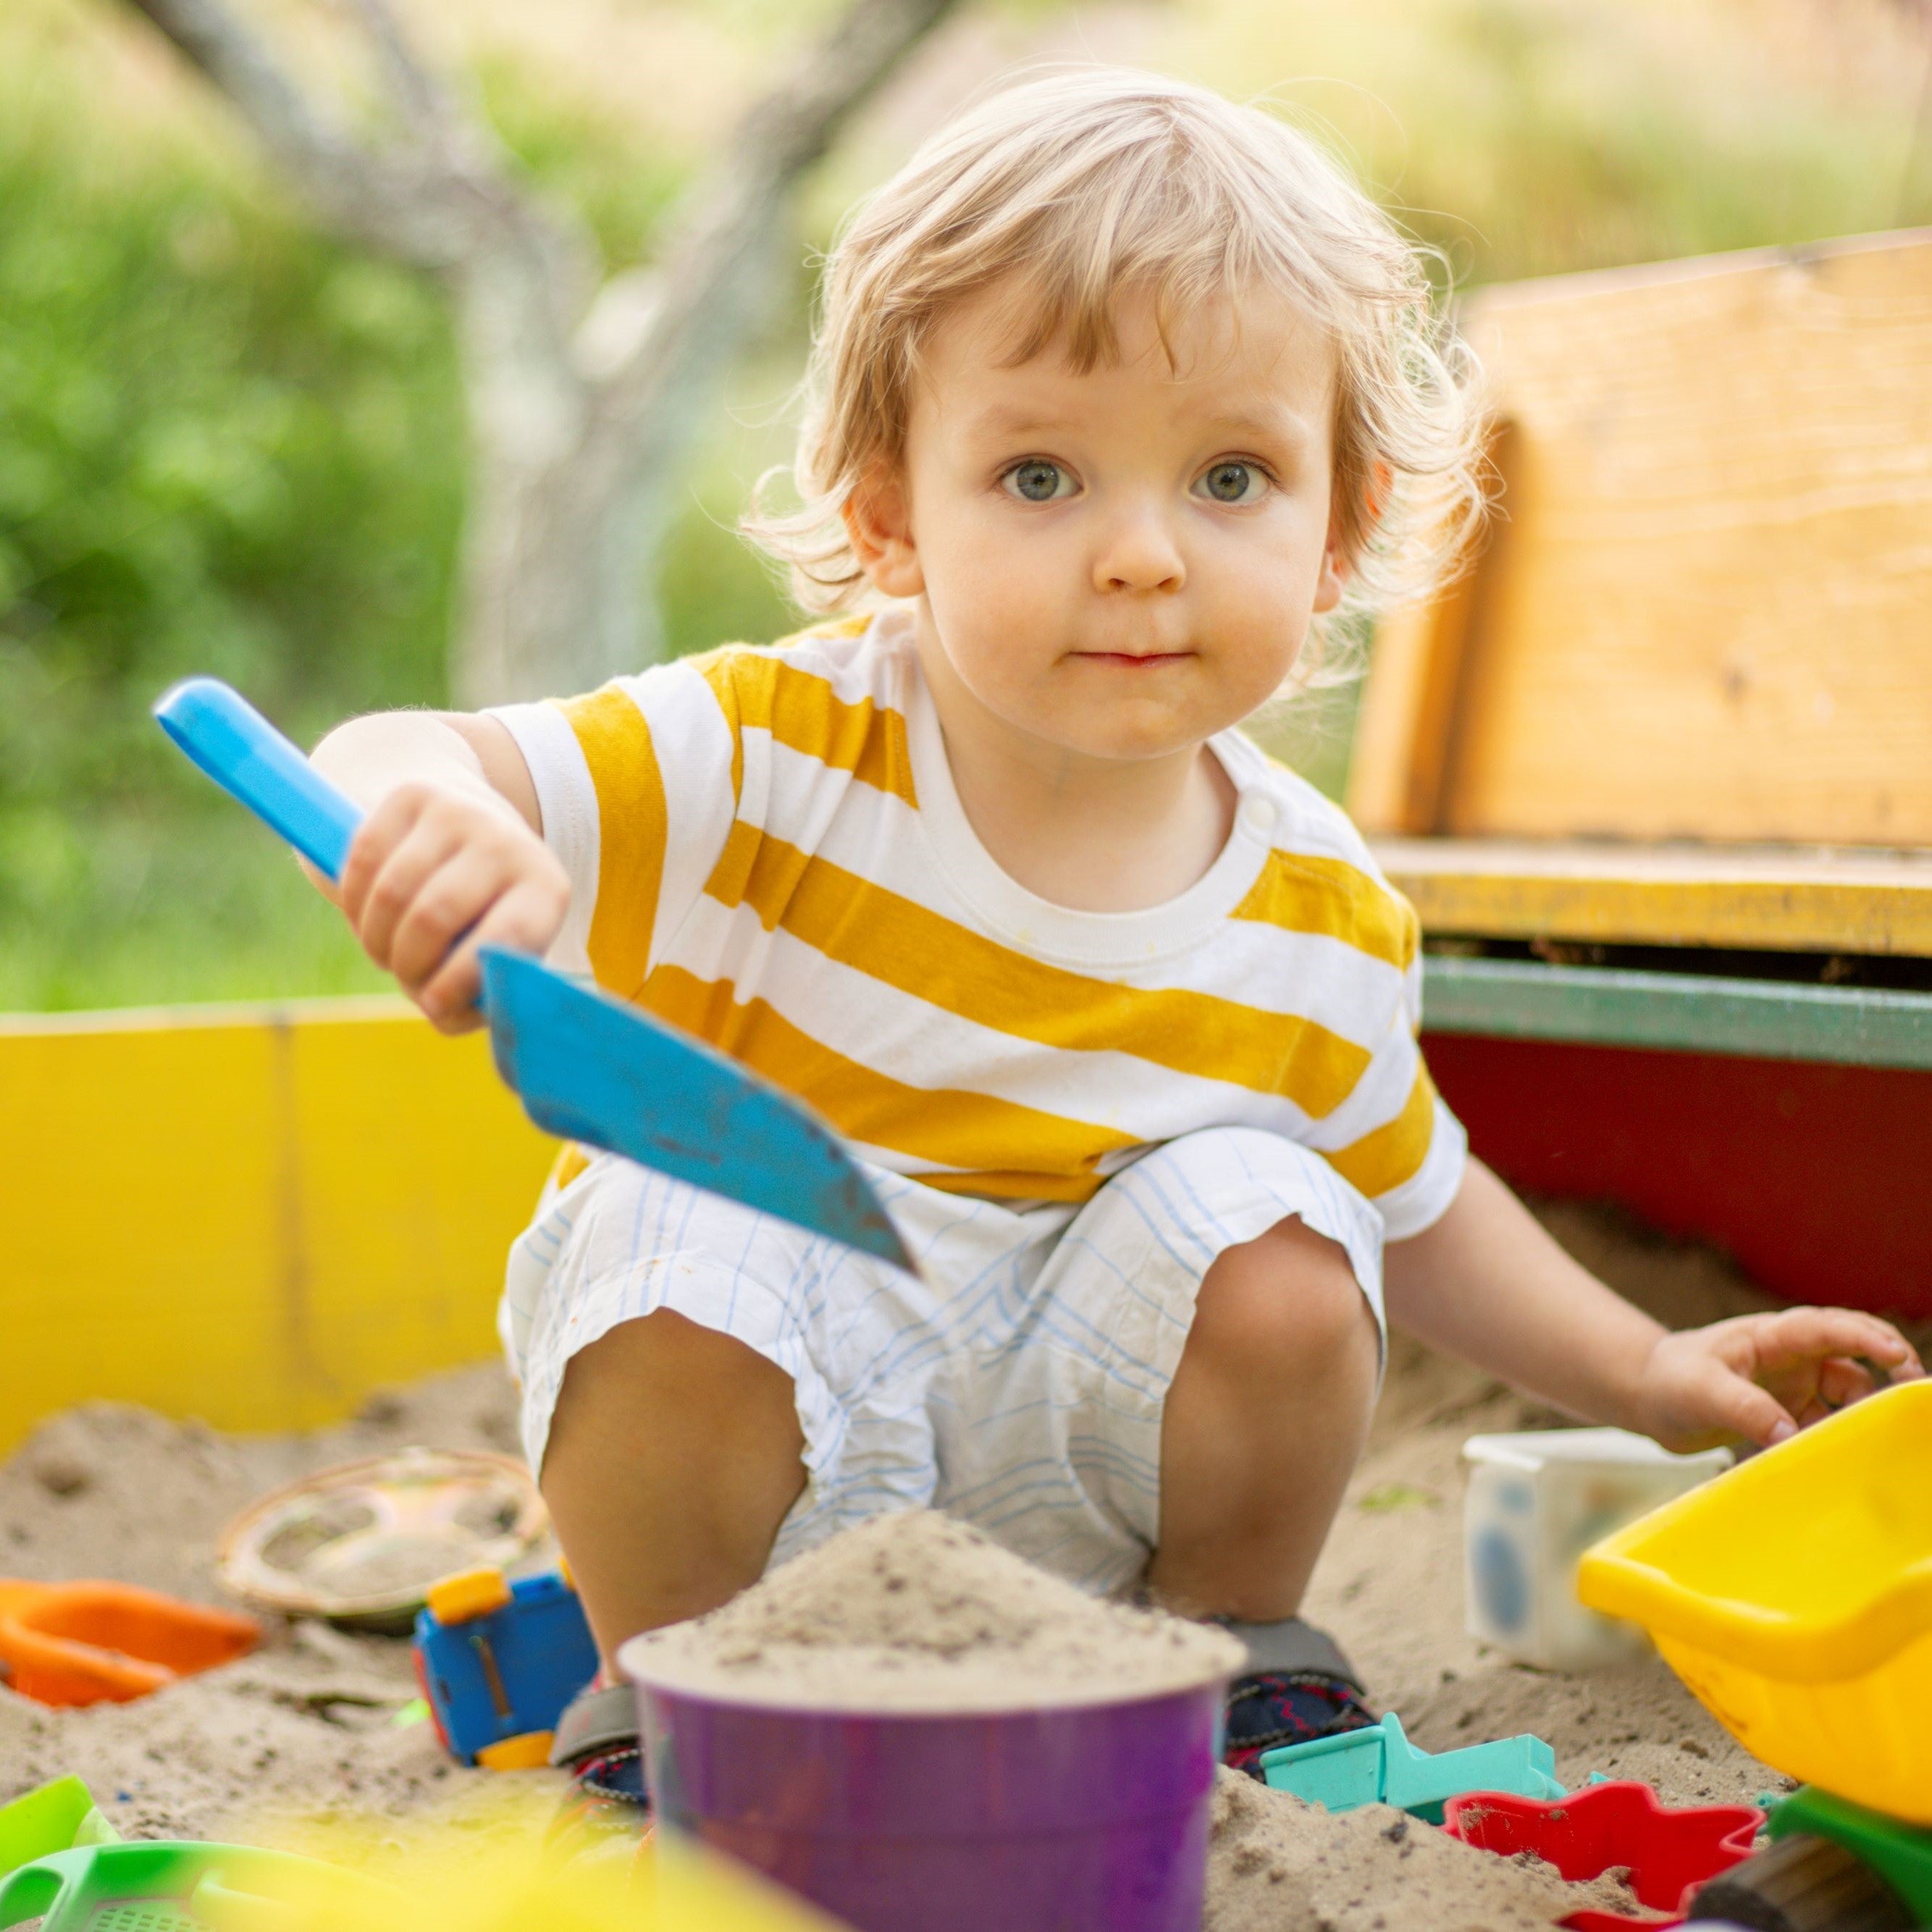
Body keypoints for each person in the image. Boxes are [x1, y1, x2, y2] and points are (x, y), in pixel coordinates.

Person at [304, 67, 1922, 1815]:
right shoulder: (769, 751)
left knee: (1284, 1218)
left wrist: (1646, 1365)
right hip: (776, 1473)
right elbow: (409, 749)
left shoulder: (1312, 904)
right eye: (1040, 474)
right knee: (661, 1205)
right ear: (886, 515)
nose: (1143, 555)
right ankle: (662, 1705)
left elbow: (1416, 1192)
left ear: (1340, 527)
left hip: (1090, 1493)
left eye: (1229, 474)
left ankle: (1225, 1667)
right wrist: (415, 810)